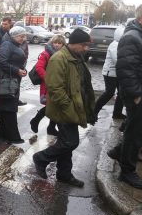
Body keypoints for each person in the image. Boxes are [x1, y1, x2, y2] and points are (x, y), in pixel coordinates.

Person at [32, 28, 95, 187]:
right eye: (84, 45)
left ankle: (64, 174)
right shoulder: (59, 59)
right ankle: (41, 158)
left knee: (66, 141)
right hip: (64, 109)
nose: (86, 48)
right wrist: (69, 107)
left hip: (75, 106)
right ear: (73, 43)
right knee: (70, 142)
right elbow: (55, 88)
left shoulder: (77, 56)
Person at [107, 2, 142, 189]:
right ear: (140, 18)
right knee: (135, 132)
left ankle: (118, 151)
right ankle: (127, 171)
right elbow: (126, 69)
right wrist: (136, 95)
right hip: (139, 93)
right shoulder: (132, 37)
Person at [0, 26, 28, 144]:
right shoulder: (7, 44)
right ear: (14, 36)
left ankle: (1, 133)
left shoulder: (13, 44)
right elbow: (2, 62)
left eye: (24, 36)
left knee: (7, 107)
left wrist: (21, 69)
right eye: (21, 36)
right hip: (6, 80)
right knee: (10, 108)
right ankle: (13, 136)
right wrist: (17, 70)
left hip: (12, 79)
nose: (23, 38)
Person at [29, 35, 66, 135]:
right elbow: (39, 67)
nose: (57, 45)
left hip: (59, 84)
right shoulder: (46, 54)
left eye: (59, 43)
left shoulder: (63, 54)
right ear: (52, 43)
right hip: (48, 84)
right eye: (55, 42)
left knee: (55, 106)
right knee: (51, 106)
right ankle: (36, 120)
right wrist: (49, 79)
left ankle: (50, 127)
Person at [93, 26, 126, 120]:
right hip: (110, 73)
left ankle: (117, 113)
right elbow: (117, 60)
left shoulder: (121, 44)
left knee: (121, 93)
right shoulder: (115, 45)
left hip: (118, 73)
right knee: (109, 93)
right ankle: (94, 111)